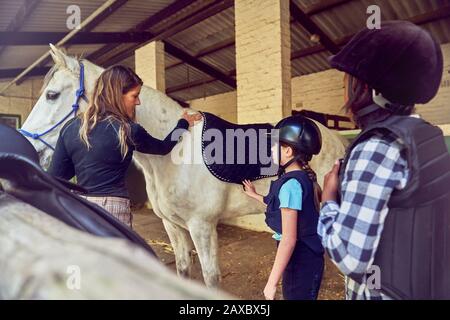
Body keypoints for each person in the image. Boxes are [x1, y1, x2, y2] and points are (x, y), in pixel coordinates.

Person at [319, 20, 450, 299]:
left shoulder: (377, 148)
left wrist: (328, 201)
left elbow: (350, 259)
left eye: (348, 81)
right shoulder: (429, 137)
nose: (346, 91)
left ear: (369, 89)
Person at [48, 65, 201, 228]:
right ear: (117, 95)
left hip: (81, 211)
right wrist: (183, 123)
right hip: (114, 210)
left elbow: (56, 177)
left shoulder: (70, 128)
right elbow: (163, 147)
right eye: (134, 96)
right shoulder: (128, 129)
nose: (138, 102)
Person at [242, 115, 324, 300]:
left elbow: (288, 239)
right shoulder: (306, 178)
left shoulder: (290, 185)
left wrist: (271, 283)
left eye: (275, 145)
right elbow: (285, 206)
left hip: (299, 261)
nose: (271, 149)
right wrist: (255, 195)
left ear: (287, 151)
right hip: (310, 258)